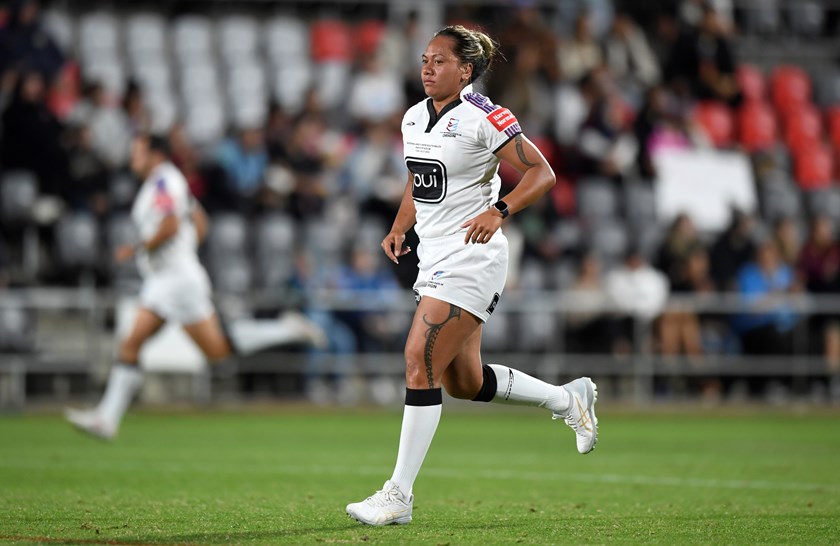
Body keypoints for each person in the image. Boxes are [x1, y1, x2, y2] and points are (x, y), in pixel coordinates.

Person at [345, 25, 598, 527]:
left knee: (418, 356)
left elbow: (542, 173)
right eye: (424, 59)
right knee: (465, 381)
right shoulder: (413, 117)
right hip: (433, 255)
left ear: (466, 70)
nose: (427, 68)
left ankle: (399, 494)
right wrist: (400, 227)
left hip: (472, 257)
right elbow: (419, 180)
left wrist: (500, 209)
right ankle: (567, 398)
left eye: (439, 61)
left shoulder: (485, 116)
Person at [64, 134, 325, 440]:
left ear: (155, 155)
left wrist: (136, 248)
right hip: (180, 276)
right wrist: (186, 250)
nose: (132, 158)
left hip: (171, 279)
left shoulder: (162, 182)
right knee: (216, 350)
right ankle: (286, 329)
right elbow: (199, 220)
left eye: (137, 152)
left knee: (131, 342)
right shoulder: (170, 182)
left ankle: (106, 419)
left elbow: (171, 224)